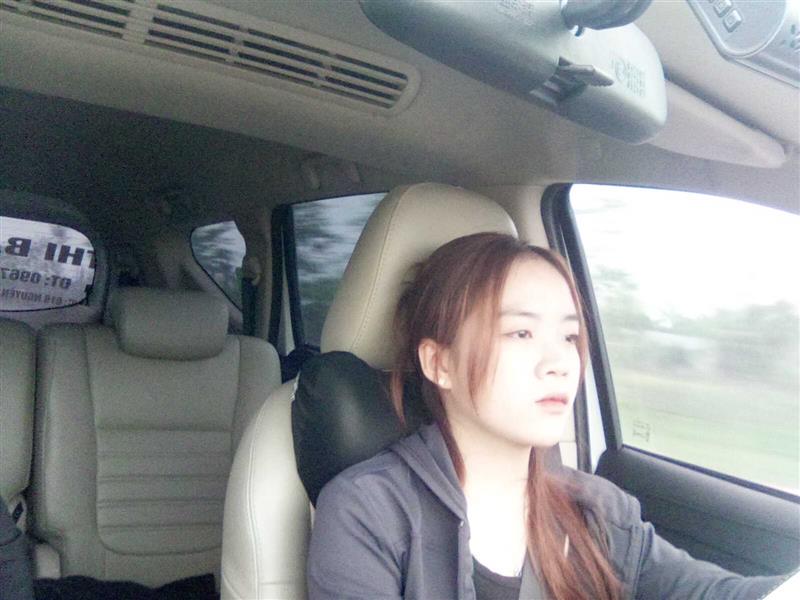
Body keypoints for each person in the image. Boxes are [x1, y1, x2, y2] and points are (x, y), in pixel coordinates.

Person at [307, 232, 785, 599]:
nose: (560, 362)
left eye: (570, 337)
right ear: (440, 363)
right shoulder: (368, 512)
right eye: (521, 333)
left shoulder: (597, 511)